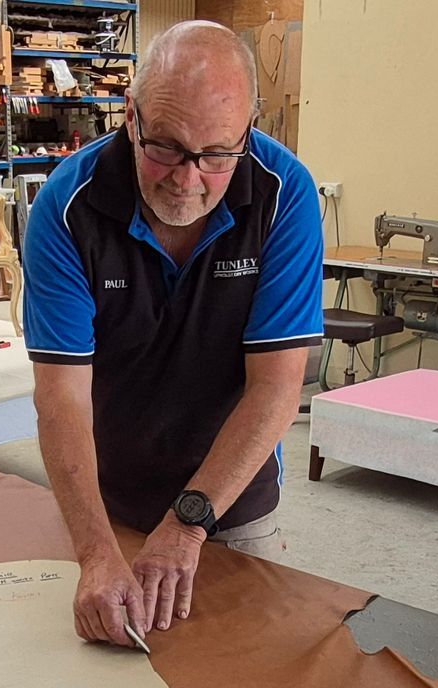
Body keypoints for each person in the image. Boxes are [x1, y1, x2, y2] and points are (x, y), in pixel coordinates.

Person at [21, 20, 323, 647]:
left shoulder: (284, 195)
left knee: (249, 680)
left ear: (249, 127)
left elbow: (275, 388)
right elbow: (61, 399)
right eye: (165, 146)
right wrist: (95, 552)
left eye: (216, 153)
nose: (187, 179)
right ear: (130, 117)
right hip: (109, 500)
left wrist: (188, 527)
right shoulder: (66, 208)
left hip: (231, 498)